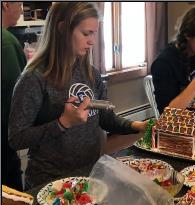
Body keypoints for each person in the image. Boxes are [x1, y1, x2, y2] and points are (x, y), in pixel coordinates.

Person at [8, 2, 147, 190]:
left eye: (94, 33)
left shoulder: (91, 73)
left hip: (91, 177)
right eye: (86, 33)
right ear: (63, 29)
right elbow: (16, 138)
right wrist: (62, 123)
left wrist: (137, 126)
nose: (92, 41)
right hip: (50, 184)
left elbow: (105, 119)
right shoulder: (34, 78)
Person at [2, 1, 26, 191]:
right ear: (5, 4)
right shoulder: (7, 42)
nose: (21, 8)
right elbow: (19, 96)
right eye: (19, 3)